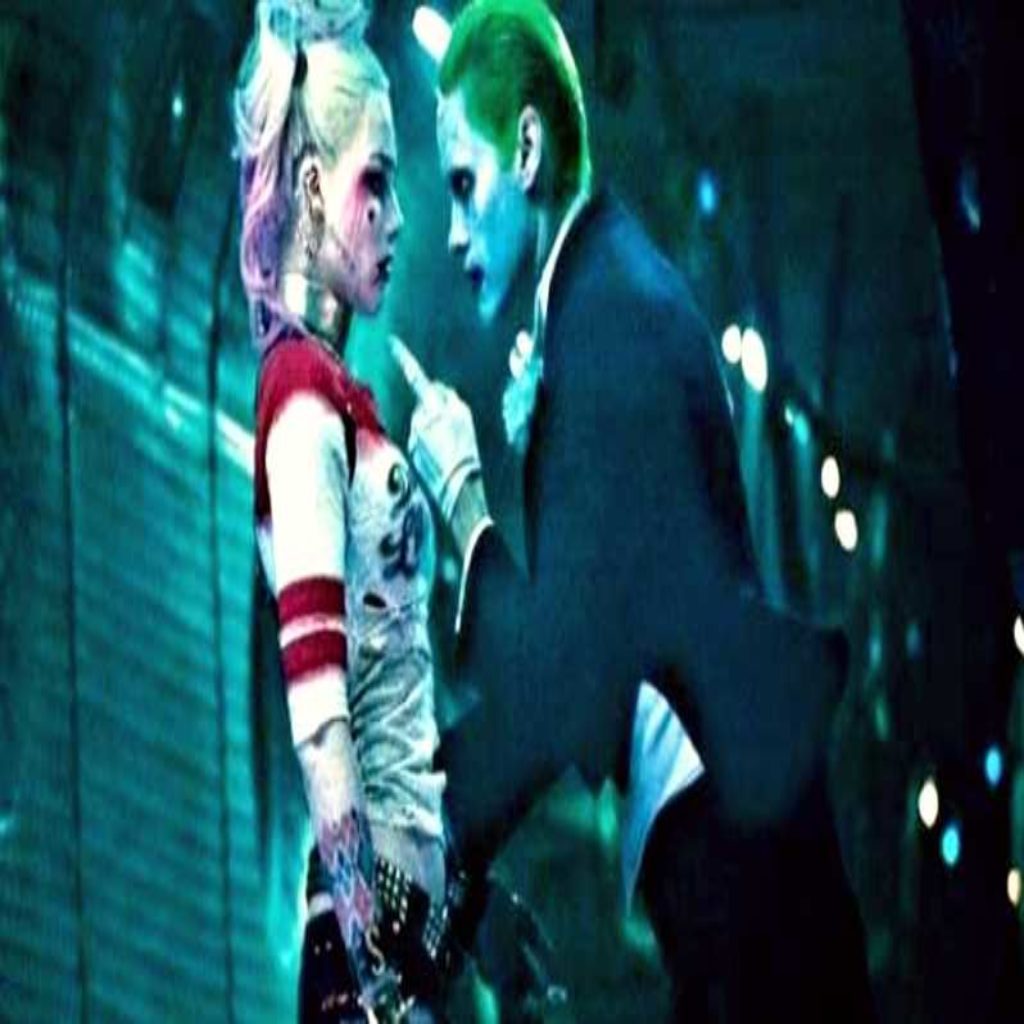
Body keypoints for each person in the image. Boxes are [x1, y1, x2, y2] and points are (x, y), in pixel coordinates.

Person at [399, 1, 877, 1020]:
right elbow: (586, 656)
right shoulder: (604, 296)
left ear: (528, 148)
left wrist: (464, 503)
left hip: (750, 878)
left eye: (464, 184)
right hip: (744, 866)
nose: (452, 230)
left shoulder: (610, 314)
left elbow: (567, 680)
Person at [233, 2, 447, 1020]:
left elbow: (393, 700)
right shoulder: (301, 401)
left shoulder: (337, 397)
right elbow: (320, 727)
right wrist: (378, 970)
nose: (396, 217)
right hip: (371, 948)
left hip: (403, 930)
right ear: (315, 188)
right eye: (377, 181)